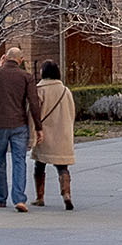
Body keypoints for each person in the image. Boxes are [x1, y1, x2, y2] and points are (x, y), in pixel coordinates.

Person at [0, 47, 43, 212]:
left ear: (4, 58)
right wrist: (38, 127)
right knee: (19, 161)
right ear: (20, 60)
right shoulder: (26, 77)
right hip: (19, 124)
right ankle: (19, 199)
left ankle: (0, 198)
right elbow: (34, 103)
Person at [31, 60, 77, 209]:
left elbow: (34, 112)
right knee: (62, 167)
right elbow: (72, 113)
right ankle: (66, 194)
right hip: (62, 134)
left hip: (44, 133)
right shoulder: (65, 90)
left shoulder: (39, 90)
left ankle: (40, 197)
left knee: (39, 165)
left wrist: (33, 132)